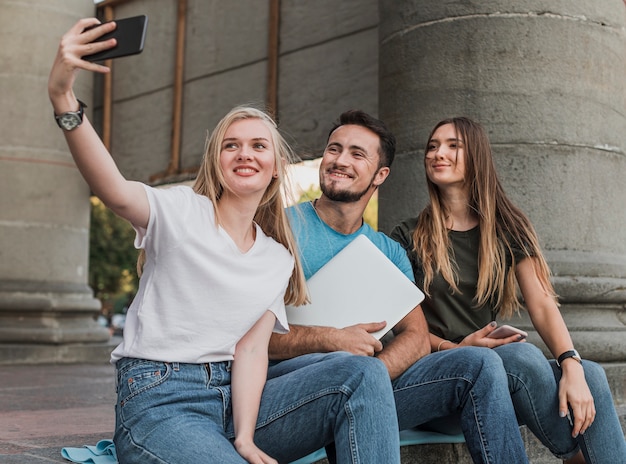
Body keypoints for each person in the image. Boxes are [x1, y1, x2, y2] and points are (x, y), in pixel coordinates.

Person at [48, 19, 402, 464]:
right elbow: (115, 190)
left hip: (234, 402)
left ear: (276, 167)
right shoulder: (181, 211)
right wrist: (65, 99)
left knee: (361, 373)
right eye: (231, 145)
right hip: (161, 401)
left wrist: (247, 438)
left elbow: (251, 350)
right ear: (217, 162)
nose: (245, 153)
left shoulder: (276, 256)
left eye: (258, 145)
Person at [270, 110, 530, 464]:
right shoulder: (278, 228)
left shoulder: (387, 251)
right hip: (290, 389)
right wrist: (331, 338)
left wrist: (375, 375)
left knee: (479, 362)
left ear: (380, 175)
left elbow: (417, 337)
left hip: (368, 382)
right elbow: (243, 336)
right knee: (357, 372)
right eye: (334, 149)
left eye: (357, 154)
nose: (340, 161)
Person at [391, 116, 626, 464]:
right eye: (433, 146)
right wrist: (455, 347)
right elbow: (400, 325)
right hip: (437, 376)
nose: (438, 153)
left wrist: (571, 363)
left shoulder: (507, 228)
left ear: (477, 157)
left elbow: (543, 304)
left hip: (494, 385)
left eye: (453, 145)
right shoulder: (408, 235)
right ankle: (574, 455)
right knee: (519, 356)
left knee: (589, 372)